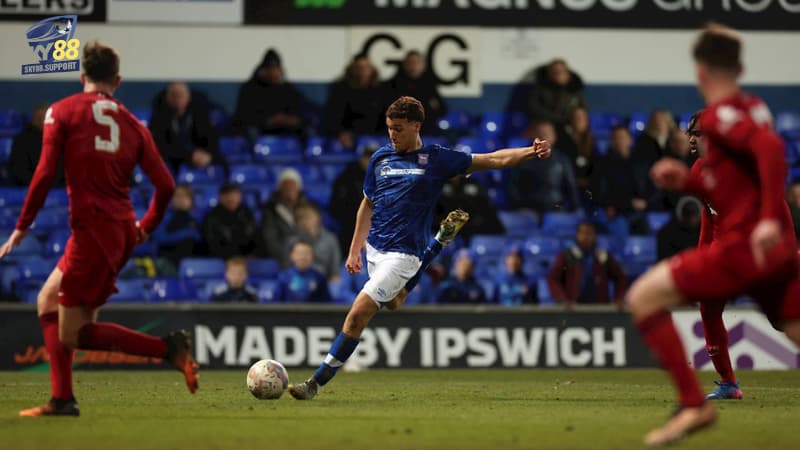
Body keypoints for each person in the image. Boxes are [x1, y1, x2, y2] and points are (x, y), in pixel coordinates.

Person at [287, 95, 551, 400]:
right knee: (395, 301)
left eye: (398, 128)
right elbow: (367, 204)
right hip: (375, 249)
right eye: (389, 128)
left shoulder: (437, 159)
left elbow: (492, 159)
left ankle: (315, 383)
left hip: (404, 255)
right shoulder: (380, 159)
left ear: (416, 125)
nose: (392, 134)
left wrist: (531, 152)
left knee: (358, 314)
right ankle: (439, 242)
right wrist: (355, 248)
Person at [0, 41, 198, 417]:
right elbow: (167, 185)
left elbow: (43, 175)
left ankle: (165, 349)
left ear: (82, 76)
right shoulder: (133, 125)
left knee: (72, 333)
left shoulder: (61, 111)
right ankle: (63, 398)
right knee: (48, 302)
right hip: (120, 229)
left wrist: (22, 227)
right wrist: (146, 227)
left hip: (93, 231)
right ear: (118, 80)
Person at [627, 25, 800, 446]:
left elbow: (771, 150)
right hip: (774, 251)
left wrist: (763, 221)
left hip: (745, 246)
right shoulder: (752, 108)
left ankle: (694, 404)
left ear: (700, 71)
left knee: (643, 298)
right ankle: (722, 385)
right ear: (740, 67)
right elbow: (728, 191)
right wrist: (687, 185)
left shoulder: (721, 115)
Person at [547, 222, 627, 309]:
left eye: (589, 233)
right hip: (573, 309)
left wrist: (619, 298)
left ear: (595, 236)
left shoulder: (603, 256)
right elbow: (553, 279)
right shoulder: (566, 256)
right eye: (582, 233)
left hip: (600, 309)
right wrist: (561, 299)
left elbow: (621, 279)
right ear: (577, 235)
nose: (585, 237)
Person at [148, 81, 223, 174]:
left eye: (181, 95)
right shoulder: (159, 116)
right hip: (172, 161)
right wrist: (189, 155)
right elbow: (159, 146)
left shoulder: (200, 114)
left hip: (200, 158)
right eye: (174, 95)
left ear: (188, 96)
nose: (177, 99)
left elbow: (211, 139)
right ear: (167, 97)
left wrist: (208, 155)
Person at [230, 48, 306, 138]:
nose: (274, 72)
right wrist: (270, 120)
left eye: (276, 69)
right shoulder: (250, 89)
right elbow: (243, 117)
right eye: (271, 68)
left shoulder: (287, 89)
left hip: (285, 131)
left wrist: (288, 120)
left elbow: (297, 114)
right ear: (263, 70)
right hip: (259, 131)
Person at [506, 120, 579, 213]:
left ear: (554, 137)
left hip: (555, 207)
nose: (544, 138)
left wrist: (575, 209)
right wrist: (519, 205)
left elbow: (571, 186)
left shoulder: (562, 159)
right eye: (541, 134)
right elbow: (512, 186)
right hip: (527, 208)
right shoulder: (522, 158)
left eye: (547, 134)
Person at [322, 54, 386, 149]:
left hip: (376, 135)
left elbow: (387, 115)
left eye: (366, 67)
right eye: (359, 67)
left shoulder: (382, 89)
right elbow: (333, 116)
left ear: (372, 69)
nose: (363, 70)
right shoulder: (341, 89)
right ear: (352, 69)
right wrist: (340, 133)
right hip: (350, 136)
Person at [329, 142, 379, 255]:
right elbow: (335, 208)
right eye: (368, 157)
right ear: (361, 158)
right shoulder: (345, 179)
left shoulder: (387, 179)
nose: (371, 161)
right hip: (351, 230)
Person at [384, 50, 446, 133]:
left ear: (423, 66)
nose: (413, 66)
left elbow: (441, 110)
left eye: (416, 63)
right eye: (410, 63)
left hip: (426, 131)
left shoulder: (429, 86)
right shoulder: (394, 86)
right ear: (404, 65)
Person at [9, 103, 65, 187]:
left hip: (57, 187)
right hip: (28, 188)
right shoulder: (21, 141)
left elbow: (64, 168)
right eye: (40, 118)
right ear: (34, 119)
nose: (42, 121)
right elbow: (20, 170)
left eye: (46, 118)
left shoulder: (61, 139)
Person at [260, 168, 307, 266]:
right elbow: (271, 239)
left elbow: (312, 232)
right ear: (280, 189)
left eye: (292, 186)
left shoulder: (307, 208)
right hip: (282, 259)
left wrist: (304, 255)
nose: (289, 190)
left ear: (298, 189)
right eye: (286, 187)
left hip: (306, 258)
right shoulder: (270, 210)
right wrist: (290, 257)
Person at [201, 182, 259, 259]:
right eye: (226, 194)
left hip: (247, 259)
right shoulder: (211, 217)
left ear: (240, 196)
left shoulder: (248, 215)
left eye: (234, 194)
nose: (230, 198)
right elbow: (211, 243)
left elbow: (254, 239)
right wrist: (231, 258)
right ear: (220, 197)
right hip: (222, 260)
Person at [152, 183, 201, 268]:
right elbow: (159, 238)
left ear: (191, 200)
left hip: (191, 264)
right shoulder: (164, 216)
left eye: (185, 196)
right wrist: (186, 233)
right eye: (177, 196)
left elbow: (200, 240)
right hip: (168, 262)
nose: (181, 199)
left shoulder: (195, 219)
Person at [526, 59, 585, 128]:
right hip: (547, 123)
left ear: (568, 74)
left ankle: (583, 138)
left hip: (568, 123)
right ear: (549, 74)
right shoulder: (540, 88)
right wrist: (557, 119)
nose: (559, 74)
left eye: (562, 71)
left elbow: (582, 108)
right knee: (546, 128)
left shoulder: (574, 89)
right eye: (555, 71)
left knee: (580, 115)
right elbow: (534, 109)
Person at [294, 202, 342, 281]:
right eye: (301, 218)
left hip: (325, 282)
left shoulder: (330, 239)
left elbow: (335, 272)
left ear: (318, 217)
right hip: (298, 281)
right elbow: (288, 272)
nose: (304, 221)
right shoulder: (293, 241)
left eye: (308, 217)